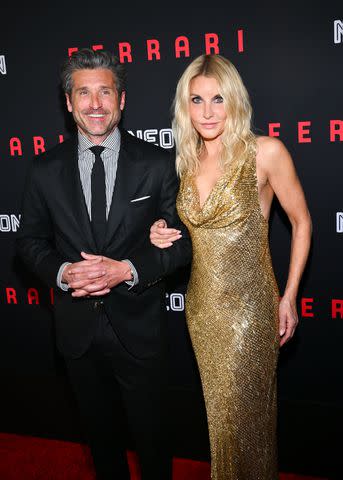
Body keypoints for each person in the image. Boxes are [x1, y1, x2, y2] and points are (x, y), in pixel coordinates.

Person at [16, 48, 191, 480]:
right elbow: (29, 242)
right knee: (101, 442)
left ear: (122, 100)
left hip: (139, 329)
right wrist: (61, 272)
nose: (96, 103)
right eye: (84, 93)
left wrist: (126, 269)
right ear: (69, 102)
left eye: (105, 92)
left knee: (153, 443)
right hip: (77, 331)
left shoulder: (157, 164)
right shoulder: (43, 169)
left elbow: (183, 244)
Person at [150, 54, 312, 480]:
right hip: (202, 312)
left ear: (234, 101)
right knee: (221, 426)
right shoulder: (185, 162)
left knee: (248, 426)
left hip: (249, 313)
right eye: (196, 100)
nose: (207, 111)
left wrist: (290, 295)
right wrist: (161, 230)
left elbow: (302, 221)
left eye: (217, 99)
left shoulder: (265, 152)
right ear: (185, 107)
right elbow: (189, 233)